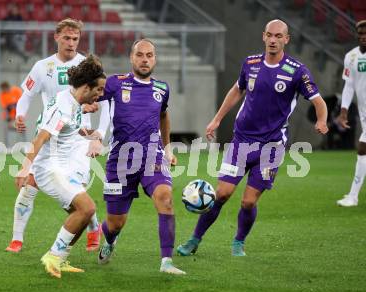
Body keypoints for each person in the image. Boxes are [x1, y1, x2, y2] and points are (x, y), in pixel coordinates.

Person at [177, 19, 328, 257]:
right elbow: (237, 89)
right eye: (269, 35)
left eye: (278, 36)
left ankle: (238, 242)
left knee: (248, 202)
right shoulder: (251, 63)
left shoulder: (297, 71)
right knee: (222, 194)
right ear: (263, 36)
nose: (273, 40)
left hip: (271, 147)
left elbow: (318, 101)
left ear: (286, 39)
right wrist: (217, 119)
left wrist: (321, 121)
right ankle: (194, 239)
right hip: (242, 141)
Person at [5, 19, 108, 253]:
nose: (71, 43)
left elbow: (106, 104)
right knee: (33, 186)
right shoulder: (43, 67)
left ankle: (88, 229)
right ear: (56, 37)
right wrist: (20, 114)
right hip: (52, 135)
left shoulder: (89, 67)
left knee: (75, 200)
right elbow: (27, 95)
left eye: (75, 39)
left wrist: (97, 135)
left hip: (77, 140)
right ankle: (18, 239)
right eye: (67, 38)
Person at [96, 39, 185, 275]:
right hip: (120, 160)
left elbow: (164, 116)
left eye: (150, 55)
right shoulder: (115, 83)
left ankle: (167, 261)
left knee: (165, 197)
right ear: (131, 58)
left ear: (155, 59)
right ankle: (110, 239)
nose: (145, 59)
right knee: (115, 223)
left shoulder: (162, 88)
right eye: (140, 55)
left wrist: (167, 149)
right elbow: (92, 99)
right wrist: (88, 113)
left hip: (151, 157)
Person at [15, 55, 106, 278]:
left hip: (61, 167)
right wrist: (25, 168)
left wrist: (84, 130)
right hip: (50, 169)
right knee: (88, 208)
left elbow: (65, 127)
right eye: (99, 89)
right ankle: (53, 255)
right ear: (86, 87)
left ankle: (61, 258)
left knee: (82, 216)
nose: (100, 94)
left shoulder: (71, 100)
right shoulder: (64, 106)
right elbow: (41, 137)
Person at [336, 20, 366, 207]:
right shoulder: (351, 57)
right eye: (360, 34)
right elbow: (349, 86)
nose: (363, 37)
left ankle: (353, 196)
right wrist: (344, 111)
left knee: (363, 149)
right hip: (364, 114)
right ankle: (353, 196)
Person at [0, 81, 25, 149]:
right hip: (9, 117)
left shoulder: (16, 90)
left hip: (18, 115)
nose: (4, 91)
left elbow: (21, 102)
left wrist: (13, 106)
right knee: (7, 131)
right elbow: (5, 107)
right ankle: (8, 147)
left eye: (4, 89)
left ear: (7, 87)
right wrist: (9, 119)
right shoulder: (2, 94)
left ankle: (23, 147)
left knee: (21, 130)